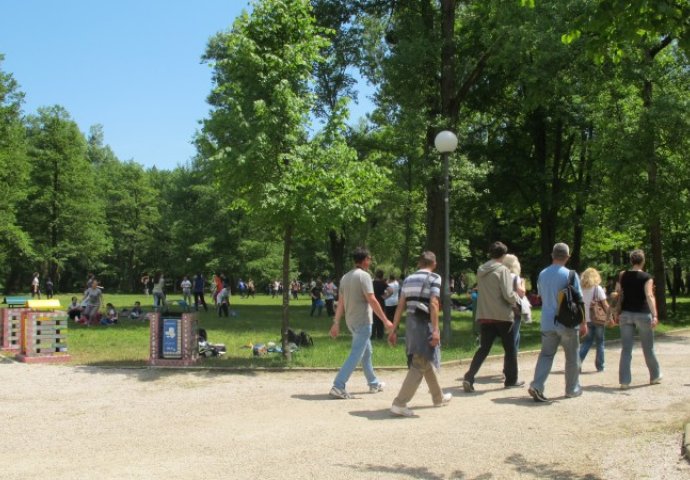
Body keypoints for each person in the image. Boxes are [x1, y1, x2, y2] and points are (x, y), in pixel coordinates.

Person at [388, 251, 452, 416]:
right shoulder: (434, 278)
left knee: (425, 359)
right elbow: (434, 303)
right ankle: (399, 403)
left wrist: (393, 329)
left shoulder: (408, 279)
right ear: (434, 263)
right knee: (420, 363)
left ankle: (438, 397)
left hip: (411, 324)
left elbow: (400, 306)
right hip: (425, 324)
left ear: (419, 263)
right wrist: (436, 330)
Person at [329, 247, 393, 399]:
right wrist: (385, 320)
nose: (370, 261)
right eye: (369, 259)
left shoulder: (345, 277)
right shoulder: (364, 276)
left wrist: (336, 322)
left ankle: (373, 383)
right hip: (363, 321)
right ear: (364, 260)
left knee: (366, 352)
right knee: (356, 353)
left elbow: (341, 302)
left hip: (351, 321)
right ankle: (338, 385)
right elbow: (372, 299)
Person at [462, 242, 524, 393]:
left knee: (483, 348)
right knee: (510, 349)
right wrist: (517, 301)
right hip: (502, 315)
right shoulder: (502, 270)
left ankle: (469, 376)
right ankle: (511, 380)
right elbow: (507, 294)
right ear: (503, 255)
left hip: (485, 314)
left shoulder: (481, 270)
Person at [528, 243, 586, 403]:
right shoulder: (570, 275)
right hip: (567, 322)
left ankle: (537, 385)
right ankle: (572, 389)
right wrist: (583, 322)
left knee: (546, 355)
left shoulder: (542, 274)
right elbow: (579, 300)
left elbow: (541, 296)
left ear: (552, 255)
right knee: (572, 356)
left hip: (547, 321)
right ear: (567, 257)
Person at [615, 249, 662, 389]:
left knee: (626, 349)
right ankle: (655, 376)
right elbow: (649, 296)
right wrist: (655, 315)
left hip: (625, 314)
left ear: (631, 261)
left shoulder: (623, 275)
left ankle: (624, 381)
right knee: (648, 348)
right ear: (643, 261)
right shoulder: (647, 277)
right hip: (642, 314)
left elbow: (617, 292)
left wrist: (615, 311)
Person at [579, 268, 610, 372]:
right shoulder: (597, 288)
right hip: (598, 319)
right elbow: (605, 305)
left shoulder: (580, 289)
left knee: (586, 342)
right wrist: (610, 316)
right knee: (600, 342)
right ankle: (600, 366)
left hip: (586, 319)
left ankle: (577, 363)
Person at [503, 254, 526, 354]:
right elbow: (521, 293)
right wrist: (523, 283)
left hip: (503, 308)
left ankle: (514, 355)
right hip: (515, 308)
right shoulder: (515, 277)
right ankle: (512, 359)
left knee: (513, 334)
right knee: (514, 334)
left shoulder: (501, 276)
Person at [371, 269, 388, 340]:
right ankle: (380, 335)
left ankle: (372, 335)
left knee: (372, 319)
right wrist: (385, 296)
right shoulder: (383, 283)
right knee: (380, 318)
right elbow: (391, 290)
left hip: (372, 302)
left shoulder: (372, 283)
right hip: (381, 302)